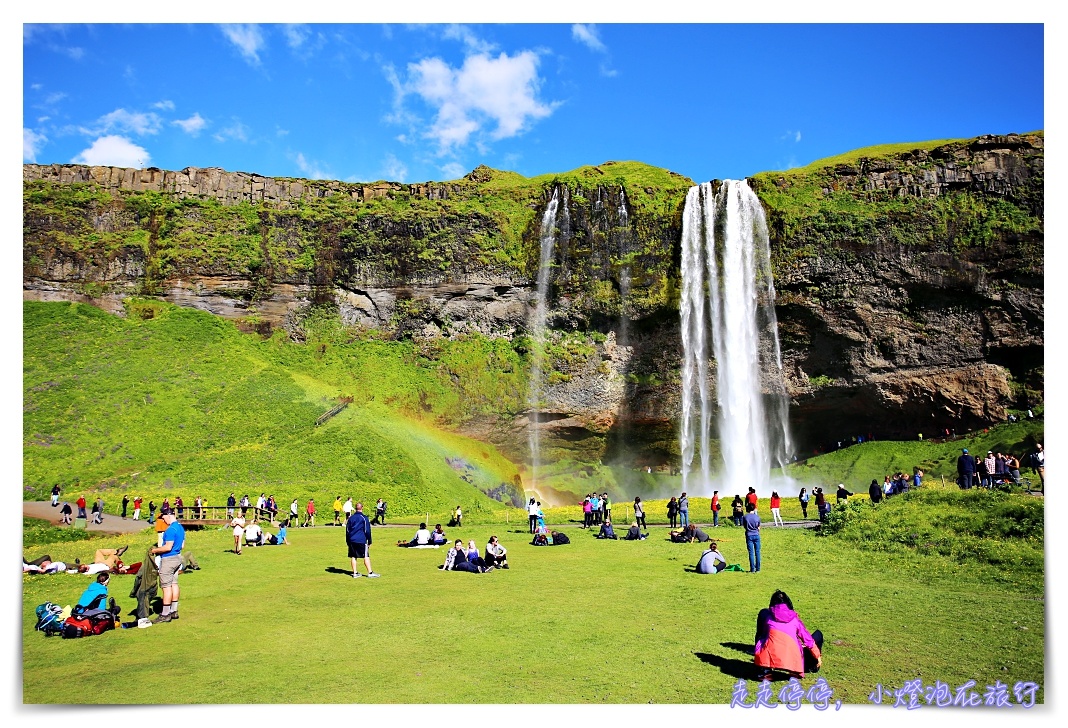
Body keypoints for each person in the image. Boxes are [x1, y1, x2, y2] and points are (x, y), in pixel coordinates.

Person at [754, 590, 823, 680]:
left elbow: (762, 635)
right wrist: (817, 656)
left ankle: (765, 671)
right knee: (817, 635)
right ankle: (794, 671)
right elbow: (808, 639)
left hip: (769, 657)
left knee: (765, 640)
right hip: (791, 659)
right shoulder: (795, 620)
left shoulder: (767, 617)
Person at [149, 506, 186, 623]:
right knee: (174, 583)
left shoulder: (170, 530)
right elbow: (182, 545)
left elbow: (168, 547)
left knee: (166, 586)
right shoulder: (180, 528)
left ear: (169, 515)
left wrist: (154, 550)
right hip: (178, 557)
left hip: (169, 559)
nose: (163, 520)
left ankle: (165, 614)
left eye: (163, 517)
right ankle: (174, 611)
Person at [345, 502, 380, 578]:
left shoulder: (351, 518)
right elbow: (367, 530)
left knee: (353, 556)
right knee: (366, 556)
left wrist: (347, 541)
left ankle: (355, 573)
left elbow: (347, 530)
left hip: (352, 540)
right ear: (362, 508)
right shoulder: (364, 518)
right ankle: (370, 572)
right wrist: (369, 540)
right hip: (361, 540)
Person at [742, 502, 761, 573]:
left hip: (749, 534)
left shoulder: (745, 517)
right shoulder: (757, 517)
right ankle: (758, 568)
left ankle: (752, 569)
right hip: (756, 534)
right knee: (757, 552)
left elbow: (744, 525)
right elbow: (759, 526)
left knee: (751, 552)